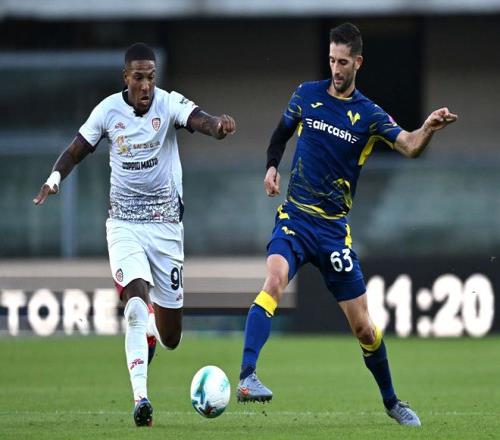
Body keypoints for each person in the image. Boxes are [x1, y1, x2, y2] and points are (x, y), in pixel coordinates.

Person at [236, 23, 457, 427]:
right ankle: (247, 376)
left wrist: (427, 128)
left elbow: (408, 146)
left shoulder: (369, 115)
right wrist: (270, 167)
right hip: (296, 218)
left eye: (343, 62)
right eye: (331, 60)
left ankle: (392, 402)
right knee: (274, 281)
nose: (336, 69)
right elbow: (280, 135)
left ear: (358, 62)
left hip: (334, 232)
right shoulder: (306, 95)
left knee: (364, 329)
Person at [33, 42, 236, 427]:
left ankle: (153, 334)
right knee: (136, 305)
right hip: (124, 225)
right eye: (139, 78)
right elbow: (76, 150)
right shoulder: (108, 111)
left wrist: (217, 127)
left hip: (166, 229)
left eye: (151, 78)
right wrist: (54, 178)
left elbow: (199, 119)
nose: (146, 86)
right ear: (125, 77)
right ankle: (141, 399)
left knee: (171, 337)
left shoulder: (167, 103)